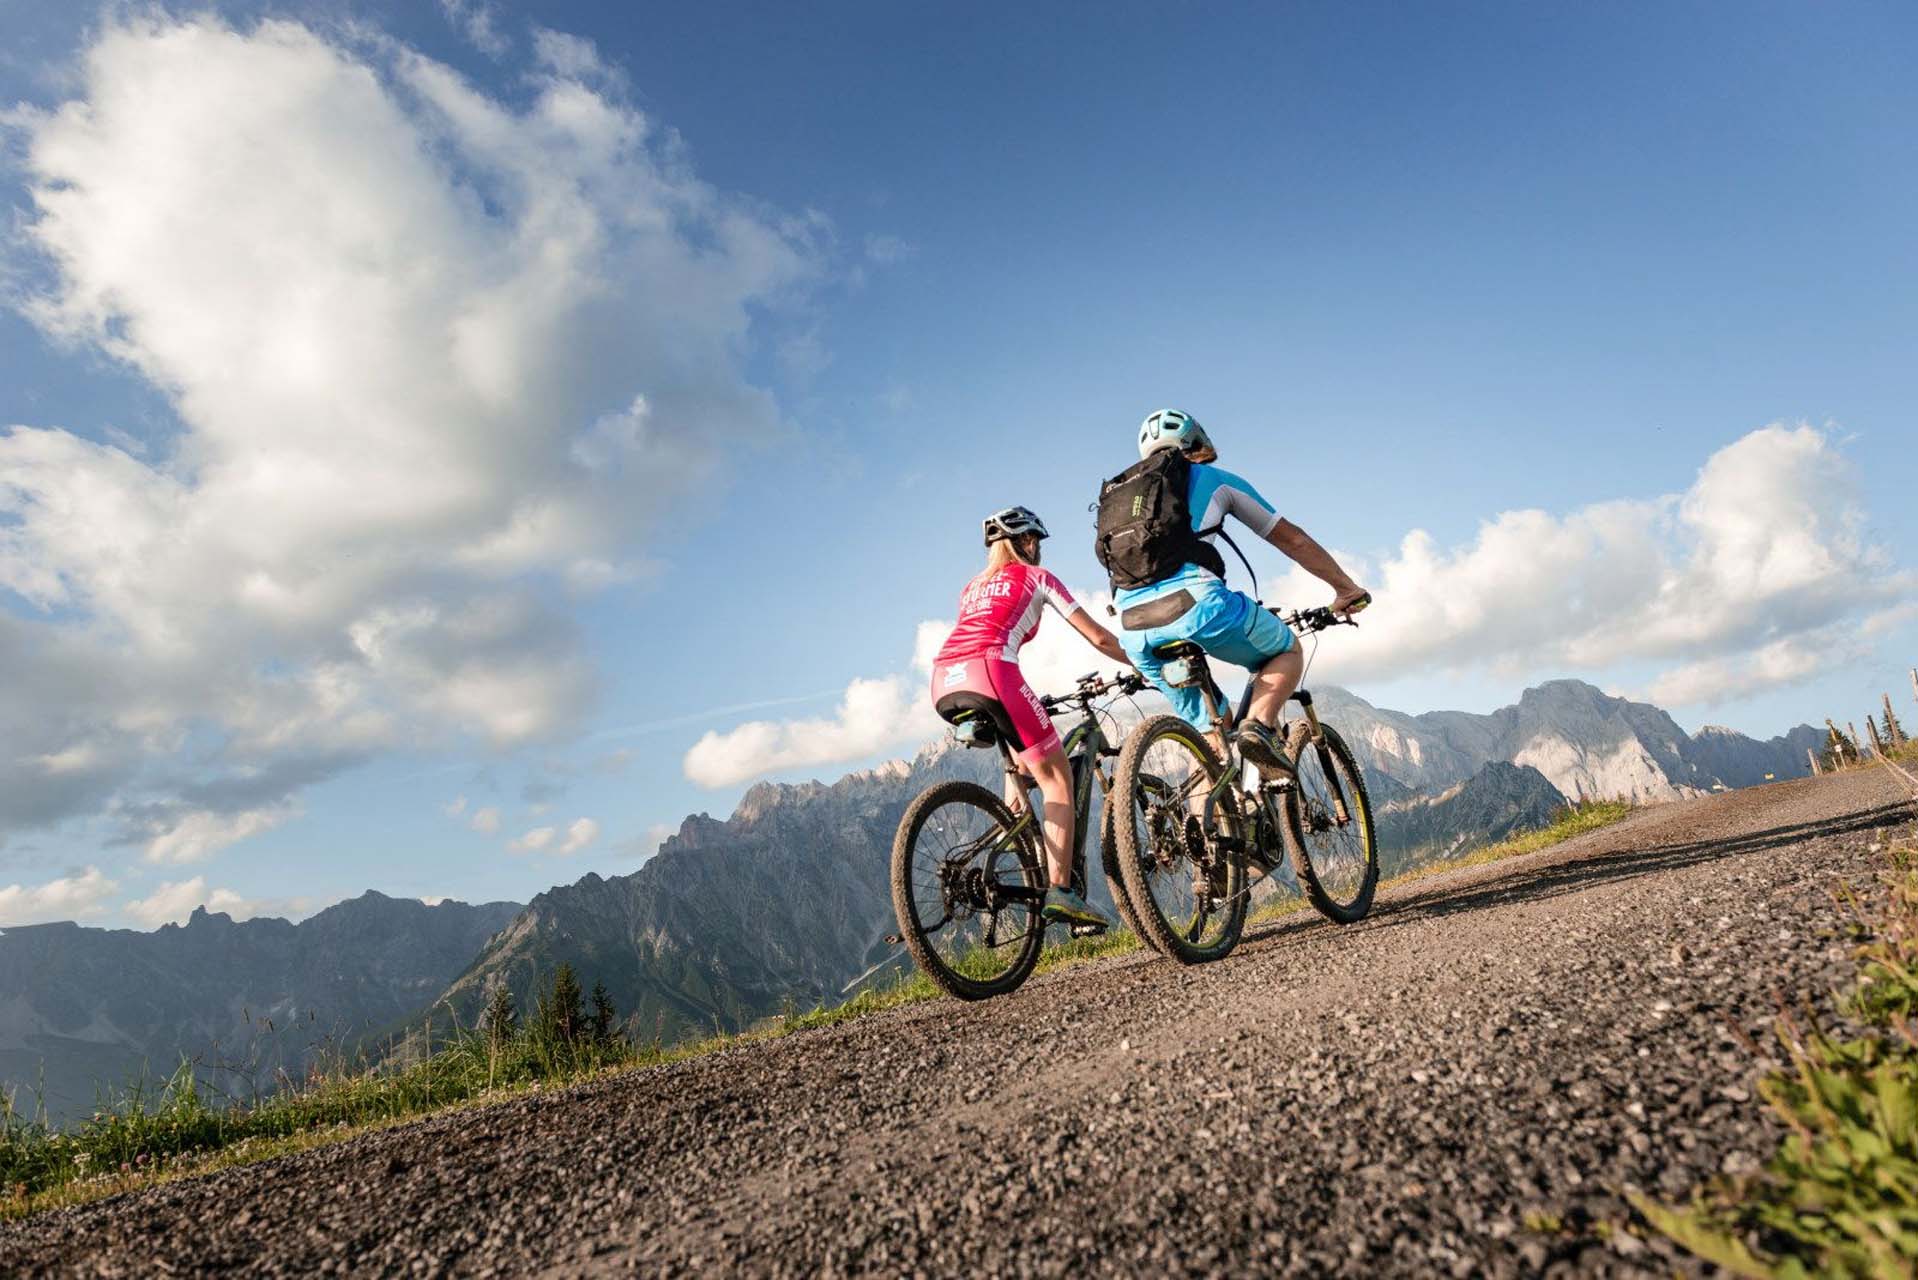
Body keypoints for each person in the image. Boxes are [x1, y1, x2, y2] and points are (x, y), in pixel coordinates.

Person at [1101, 409, 1370, 773]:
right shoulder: (1213, 478)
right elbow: (1292, 539)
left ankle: (1211, 820)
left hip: (1134, 632)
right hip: (1199, 609)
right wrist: (1345, 588)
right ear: (1193, 443)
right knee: (1286, 649)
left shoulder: (1120, 500)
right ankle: (1258, 726)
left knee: (1214, 740)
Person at [930, 506, 1136, 930]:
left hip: (943, 681)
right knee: (1057, 777)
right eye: (1036, 541)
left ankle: (1016, 828)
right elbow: (1097, 635)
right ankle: (1061, 891)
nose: (1038, 549)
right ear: (1025, 542)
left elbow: (980, 634)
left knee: (1025, 763)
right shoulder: (1037, 577)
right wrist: (1139, 659)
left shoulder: (971, 588)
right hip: (993, 673)